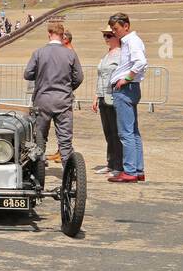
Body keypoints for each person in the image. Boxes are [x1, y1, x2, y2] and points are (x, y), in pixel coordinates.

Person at [22, 22, 84, 165]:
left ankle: (38, 167)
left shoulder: (39, 52)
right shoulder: (70, 54)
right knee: (65, 138)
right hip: (63, 99)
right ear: (62, 36)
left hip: (43, 99)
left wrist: (40, 76)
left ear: (49, 34)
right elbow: (79, 77)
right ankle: (68, 172)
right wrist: (68, 88)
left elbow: (28, 74)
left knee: (40, 136)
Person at [107, 12, 147, 183]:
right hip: (130, 88)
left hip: (125, 89)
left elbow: (141, 62)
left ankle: (130, 170)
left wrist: (126, 78)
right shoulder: (130, 41)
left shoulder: (131, 41)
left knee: (125, 133)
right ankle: (137, 169)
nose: (114, 32)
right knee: (133, 132)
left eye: (116, 29)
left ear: (126, 26)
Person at [92, 29, 124, 176]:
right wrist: (96, 97)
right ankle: (110, 163)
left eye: (109, 35)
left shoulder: (122, 54)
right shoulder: (107, 54)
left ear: (117, 37)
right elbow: (100, 77)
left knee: (116, 133)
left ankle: (119, 166)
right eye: (104, 35)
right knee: (108, 132)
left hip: (114, 96)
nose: (106, 38)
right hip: (103, 97)